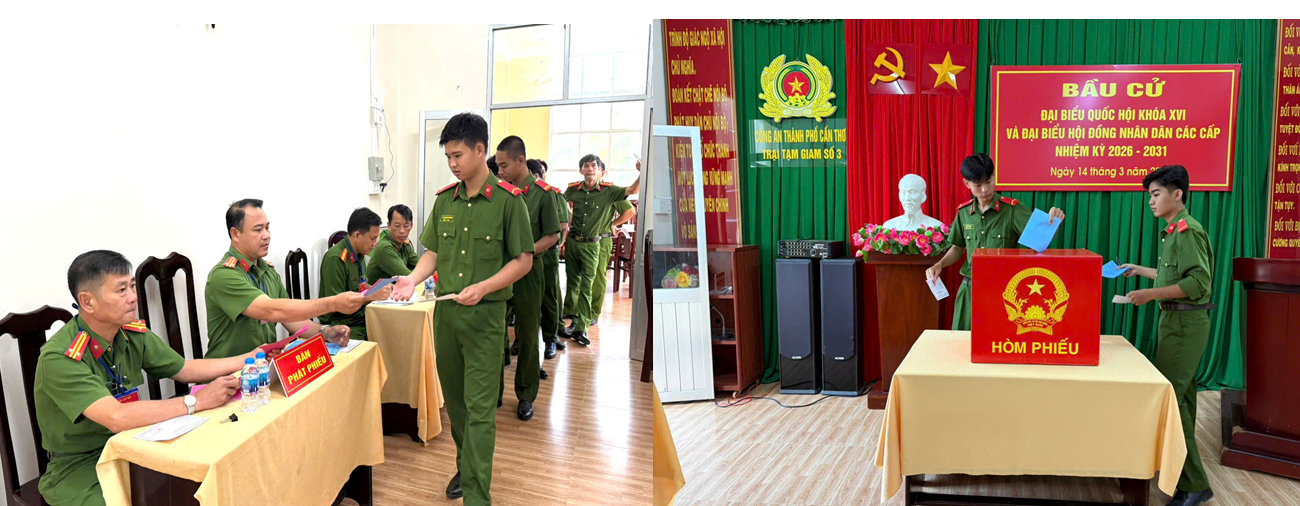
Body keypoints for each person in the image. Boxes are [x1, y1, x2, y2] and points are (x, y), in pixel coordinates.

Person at [389, 112, 534, 504]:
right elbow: (432, 252)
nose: (452, 164)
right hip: (447, 317)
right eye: (448, 157)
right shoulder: (444, 201)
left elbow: (523, 260)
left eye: (458, 155)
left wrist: (483, 287)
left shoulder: (508, 202)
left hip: (485, 319)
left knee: (480, 409)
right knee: (457, 406)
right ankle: (466, 467)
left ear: (480, 150)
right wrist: (411, 279)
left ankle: (476, 495)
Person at [36, 250, 253, 506]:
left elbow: (184, 369)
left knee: (204, 472)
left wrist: (250, 357)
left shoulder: (129, 333)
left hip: (133, 445)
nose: (133, 297)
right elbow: (116, 417)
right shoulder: (61, 357)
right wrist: (198, 401)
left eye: (132, 286)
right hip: (80, 466)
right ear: (88, 302)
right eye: (121, 290)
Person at [1119, 165, 1215, 506]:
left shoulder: (1187, 231)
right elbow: (1170, 274)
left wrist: (1150, 295)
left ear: (1178, 194)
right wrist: (1140, 271)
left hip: (1185, 324)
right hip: (1174, 321)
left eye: (1156, 194)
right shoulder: (1172, 231)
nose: (1151, 201)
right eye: (1149, 195)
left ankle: (1193, 484)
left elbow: (1197, 283)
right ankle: (1185, 478)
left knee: (1175, 402)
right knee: (1181, 401)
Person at [205, 199, 380, 358]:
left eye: (267, 228)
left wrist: (325, 332)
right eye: (258, 230)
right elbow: (272, 311)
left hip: (262, 366)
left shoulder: (267, 272)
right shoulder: (224, 276)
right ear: (235, 234)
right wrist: (333, 303)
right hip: (229, 373)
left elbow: (290, 319)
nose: (266, 235)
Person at [925, 154, 1064, 330]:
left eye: (988, 181)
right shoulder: (964, 213)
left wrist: (1054, 222)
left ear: (994, 176)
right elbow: (958, 248)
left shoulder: (1012, 210)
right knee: (964, 340)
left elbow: (1041, 240)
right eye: (978, 185)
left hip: (1003, 292)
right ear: (966, 184)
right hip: (970, 290)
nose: (985, 189)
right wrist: (939, 264)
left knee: (1000, 340)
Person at [493, 136, 561, 421]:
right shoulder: (499, 192)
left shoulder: (543, 194)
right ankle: (494, 393)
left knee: (529, 334)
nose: (500, 171)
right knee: (495, 331)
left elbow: (552, 236)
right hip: (499, 272)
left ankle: (526, 395)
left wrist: (526, 252)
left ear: (521, 161)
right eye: (497, 166)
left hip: (529, 272)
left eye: (504, 165)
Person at [560, 155, 641, 345]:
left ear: (600, 171)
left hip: (595, 242)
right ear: (581, 170)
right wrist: (567, 218)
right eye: (586, 166)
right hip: (573, 241)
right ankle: (572, 317)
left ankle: (585, 322)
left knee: (591, 282)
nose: (590, 169)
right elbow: (559, 202)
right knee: (573, 281)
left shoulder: (609, 191)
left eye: (593, 166)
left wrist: (641, 172)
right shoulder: (573, 189)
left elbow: (632, 193)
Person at [319, 207, 389, 341]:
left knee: (392, 327)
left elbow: (360, 285)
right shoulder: (336, 259)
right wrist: (371, 296)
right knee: (384, 338)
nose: (375, 244)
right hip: (341, 325)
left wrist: (378, 289)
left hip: (360, 317)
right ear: (357, 235)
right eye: (372, 239)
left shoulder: (359, 254)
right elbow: (336, 305)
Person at [532, 159, 568, 359]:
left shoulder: (552, 194)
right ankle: (523, 339)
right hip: (523, 255)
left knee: (548, 297)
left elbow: (562, 225)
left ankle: (550, 339)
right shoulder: (516, 194)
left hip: (546, 253)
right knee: (525, 299)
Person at [366, 204, 419, 281]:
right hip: (378, 289)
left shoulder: (404, 244)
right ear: (389, 226)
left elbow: (421, 266)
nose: (402, 231)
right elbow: (407, 277)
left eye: (406, 226)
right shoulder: (385, 248)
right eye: (397, 226)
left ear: (411, 226)